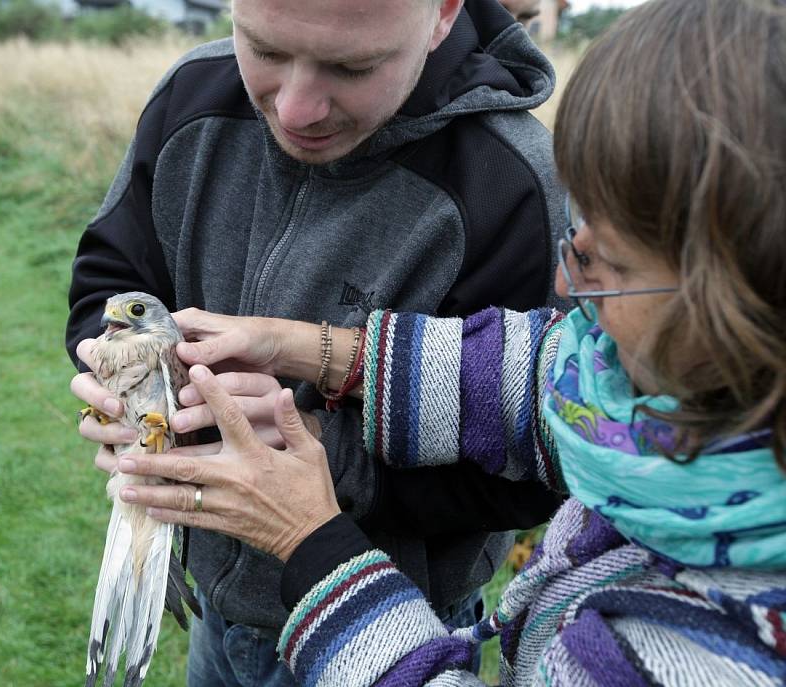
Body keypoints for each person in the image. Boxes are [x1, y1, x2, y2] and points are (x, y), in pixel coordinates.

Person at [106, 0, 786, 683]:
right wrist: (316, 350)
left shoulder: (714, 647)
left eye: (610, 263)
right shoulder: (679, 393)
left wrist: (312, 543)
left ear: (739, 305)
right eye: (579, 236)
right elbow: (534, 379)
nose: (566, 281)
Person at [67, 0, 566, 684]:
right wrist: (115, 364)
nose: (297, 109)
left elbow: (538, 461)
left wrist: (317, 451)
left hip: (398, 632)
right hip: (218, 605)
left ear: (444, 13)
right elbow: (113, 275)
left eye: (351, 66)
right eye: (264, 51)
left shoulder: (507, 181)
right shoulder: (191, 95)